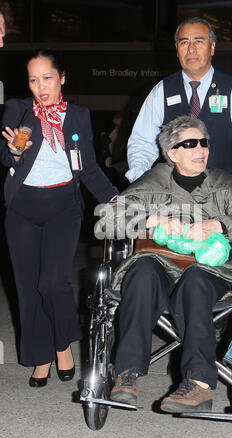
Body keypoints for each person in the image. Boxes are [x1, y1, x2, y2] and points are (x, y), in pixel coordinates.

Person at [95, 115, 232, 412]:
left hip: (208, 270)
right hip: (160, 262)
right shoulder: (154, 181)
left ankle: (198, 386)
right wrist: (153, 219)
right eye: (190, 144)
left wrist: (219, 225)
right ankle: (126, 375)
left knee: (194, 282)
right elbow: (106, 219)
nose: (200, 149)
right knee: (142, 271)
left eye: (204, 143)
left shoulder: (222, 184)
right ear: (172, 153)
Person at [0, 49, 118, 387]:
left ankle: (62, 343)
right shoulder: (18, 110)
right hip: (22, 207)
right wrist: (13, 152)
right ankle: (40, 358)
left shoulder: (79, 115)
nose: (41, 87)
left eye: (47, 78)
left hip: (62, 206)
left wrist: (114, 198)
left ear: (62, 77)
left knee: (51, 283)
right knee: (27, 288)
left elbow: (89, 168)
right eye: (33, 80)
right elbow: (3, 153)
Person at [126, 17, 232, 207]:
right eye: (184, 42)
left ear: (212, 47)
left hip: (225, 200)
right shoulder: (161, 92)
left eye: (199, 41)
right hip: (173, 202)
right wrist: (142, 183)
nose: (191, 49)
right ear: (176, 49)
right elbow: (142, 143)